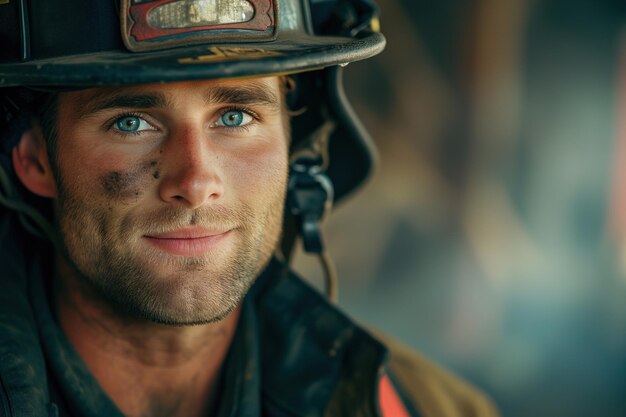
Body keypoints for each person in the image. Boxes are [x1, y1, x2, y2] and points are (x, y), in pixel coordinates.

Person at [0, 1, 499, 416]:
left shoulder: (418, 406)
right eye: (131, 122)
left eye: (235, 116)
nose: (195, 183)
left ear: (293, 148)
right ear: (34, 159)